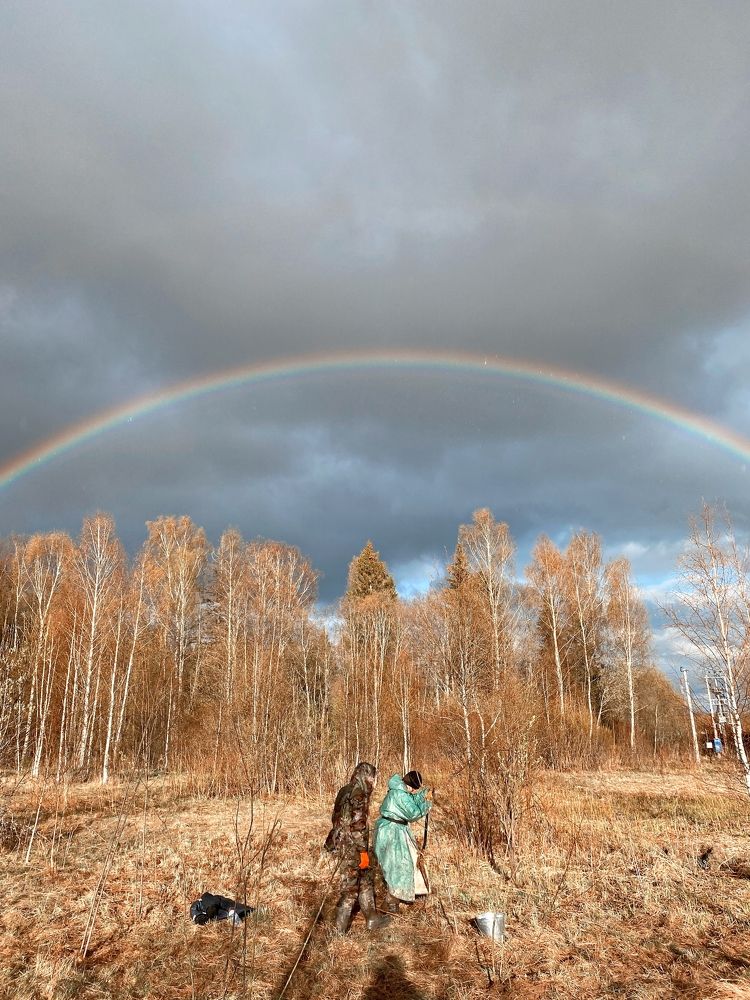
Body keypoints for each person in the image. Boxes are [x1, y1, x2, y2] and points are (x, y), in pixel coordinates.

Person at [324, 761, 391, 934]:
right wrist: (362, 852)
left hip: (343, 843)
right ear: (366, 776)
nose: (374, 782)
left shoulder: (344, 790)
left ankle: (372, 918)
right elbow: (358, 825)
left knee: (366, 879)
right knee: (351, 889)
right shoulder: (359, 794)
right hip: (352, 847)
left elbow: (336, 817)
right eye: (373, 778)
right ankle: (338, 931)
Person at [373, 769, 432, 914]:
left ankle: (403, 894)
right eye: (416, 789)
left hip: (393, 829)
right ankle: (391, 903)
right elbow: (413, 812)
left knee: (405, 861)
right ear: (411, 786)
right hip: (391, 832)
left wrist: (424, 794)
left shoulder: (400, 790)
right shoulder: (399, 793)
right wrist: (428, 804)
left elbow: (411, 800)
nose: (414, 792)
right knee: (398, 865)